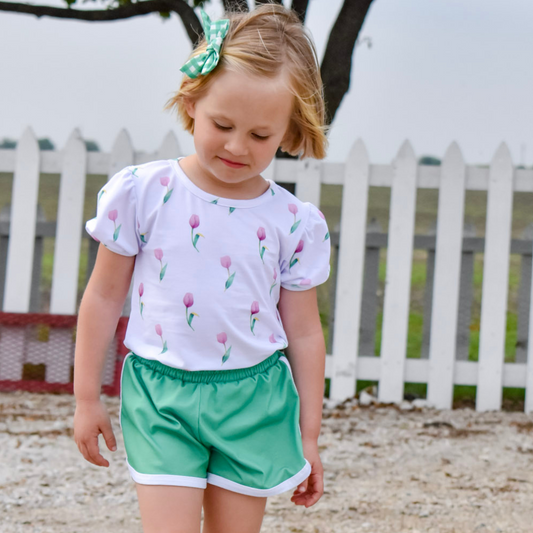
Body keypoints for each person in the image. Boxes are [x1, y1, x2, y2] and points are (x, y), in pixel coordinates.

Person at [73, 4, 331, 532]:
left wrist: (308, 437)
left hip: (254, 402)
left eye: (260, 135)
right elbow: (102, 296)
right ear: (192, 102)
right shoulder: (142, 193)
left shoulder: (294, 222)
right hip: (160, 397)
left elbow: (305, 333)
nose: (237, 146)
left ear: (288, 131)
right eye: (222, 125)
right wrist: (85, 398)